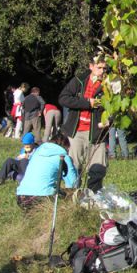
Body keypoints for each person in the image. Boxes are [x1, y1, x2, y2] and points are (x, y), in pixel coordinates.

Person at [59, 53, 108, 192]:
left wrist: (108, 118)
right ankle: (73, 197)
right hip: (76, 131)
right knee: (73, 166)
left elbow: (112, 106)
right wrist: (87, 103)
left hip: (96, 131)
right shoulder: (79, 81)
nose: (102, 71)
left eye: (104, 68)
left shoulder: (109, 84)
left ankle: (94, 197)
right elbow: (63, 98)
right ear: (91, 67)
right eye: (99, 68)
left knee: (98, 167)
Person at [16, 133, 78, 209]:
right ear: (66, 146)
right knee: (65, 195)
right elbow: (73, 184)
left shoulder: (37, 152)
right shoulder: (63, 156)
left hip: (21, 196)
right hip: (40, 197)